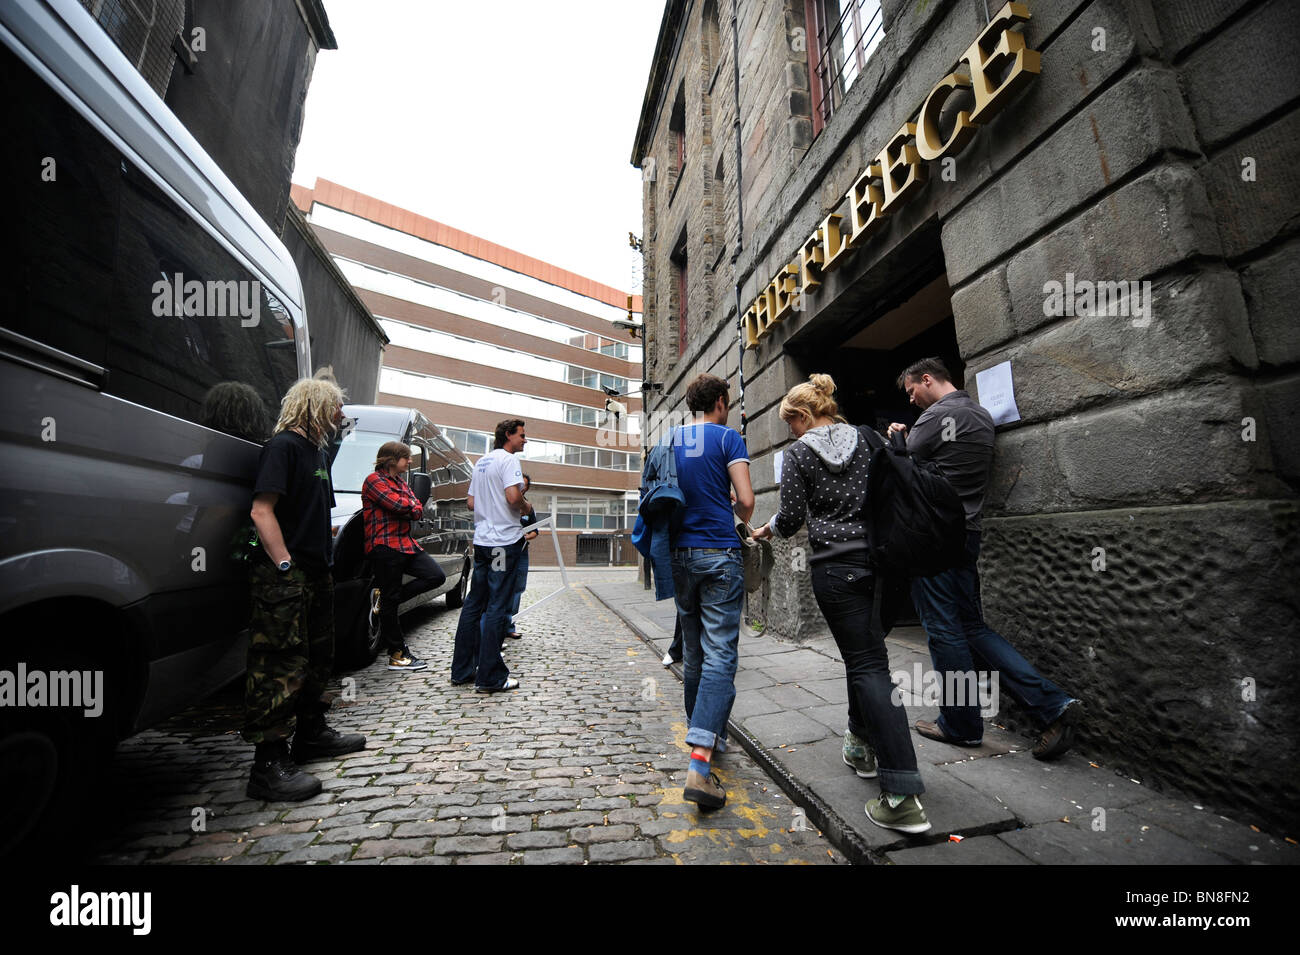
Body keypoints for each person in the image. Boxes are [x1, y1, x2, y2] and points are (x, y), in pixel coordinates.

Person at [753, 374, 930, 833]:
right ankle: (860, 745)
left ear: (803, 415)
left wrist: (770, 528)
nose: (791, 432)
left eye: (790, 423)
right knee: (864, 656)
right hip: (885, 566)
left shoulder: (798, 454)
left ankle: (902, 795)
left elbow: (792, 517)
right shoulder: (869, 438)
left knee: (869, 666)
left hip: (837, 570)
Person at [889, 357, 1082, 759]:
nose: (911, 400)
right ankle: (1052, 705)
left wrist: (897, 440)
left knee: (943, 630)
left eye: (911, 390)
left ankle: (960, 724)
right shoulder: (980, 415)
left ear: (928, 379)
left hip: (933, 537)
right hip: (968, 533)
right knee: (970, 628)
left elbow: (903, 469)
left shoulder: (935, 417)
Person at [244, 375, 366, 802]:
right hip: (286, 576)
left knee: (318, 658)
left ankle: (311, 734)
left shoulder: (318, 452)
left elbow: (318, 513)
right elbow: (262, 511)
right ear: (316, 405)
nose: (341, 414)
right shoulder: (283, 447)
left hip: (317, 573)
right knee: (280, 664)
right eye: (335, 406)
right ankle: (267, 766)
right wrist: (284, 564)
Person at [671, 374, 754, 810]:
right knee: (721, 652)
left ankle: (707, 731)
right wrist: (730, 507)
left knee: (694, 651)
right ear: (720, 401)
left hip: (679, 556)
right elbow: (747, 501)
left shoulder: (670, 440)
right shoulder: (727, 438)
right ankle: (699, 764)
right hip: (719, 553)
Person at [450, 418, 532, 692]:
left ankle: (462, 670)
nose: (525, 440)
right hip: (503, 542)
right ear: (508, 435)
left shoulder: (481, 462)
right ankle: (490, 677)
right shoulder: (509, 460)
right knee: (498, 605)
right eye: (521, 435)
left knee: (474, 604)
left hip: (483, 542)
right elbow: (513, 498)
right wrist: (526, 506)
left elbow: (471, 502)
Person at [363, 440, 446, 671]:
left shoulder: (400, 482)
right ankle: (397, 655)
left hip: (406, 544)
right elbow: (398, 506)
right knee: (390, 603)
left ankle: (388, 600)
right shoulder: (373, 480)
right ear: (392, 459)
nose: (410, 461)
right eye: (406, 457)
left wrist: (409, 505)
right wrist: (409, 504)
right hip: (385, 546)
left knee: (435, 576)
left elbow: (418, 509)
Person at [504, 474, 538, 640]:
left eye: (524, 485)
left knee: (518, 589)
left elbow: (535, 531)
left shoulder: (528, 507)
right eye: (519, 485)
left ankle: (510, 626)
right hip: (504, 551)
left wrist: (524, 537)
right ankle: (496, 626)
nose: (521, 488)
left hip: (522, 552)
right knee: (501, 588)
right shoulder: (505, 502)